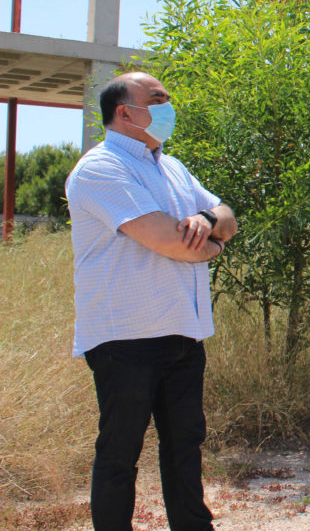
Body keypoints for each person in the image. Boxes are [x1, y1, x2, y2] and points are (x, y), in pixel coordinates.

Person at [66, 72, 238, 531]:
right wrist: (211, 244)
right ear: (124, 112)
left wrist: (205, 219)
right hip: (127, 336)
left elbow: (227, 217)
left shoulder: (171, 167)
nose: (167, 108)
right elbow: (170, 242)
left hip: (183, 329)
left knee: (185, 444)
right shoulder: (102, 168)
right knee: (120, 451)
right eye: (156, 99)